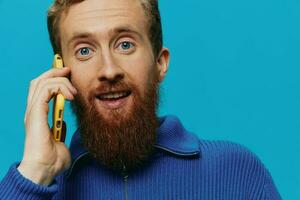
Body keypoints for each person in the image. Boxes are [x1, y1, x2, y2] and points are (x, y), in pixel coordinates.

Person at [0, 0, 282, 199]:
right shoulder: (41, 186)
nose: (109, 70)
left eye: (125, 44)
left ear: (160, 62)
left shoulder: (237, 173)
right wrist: (35, 174)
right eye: (85, 50)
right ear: (61, 71)